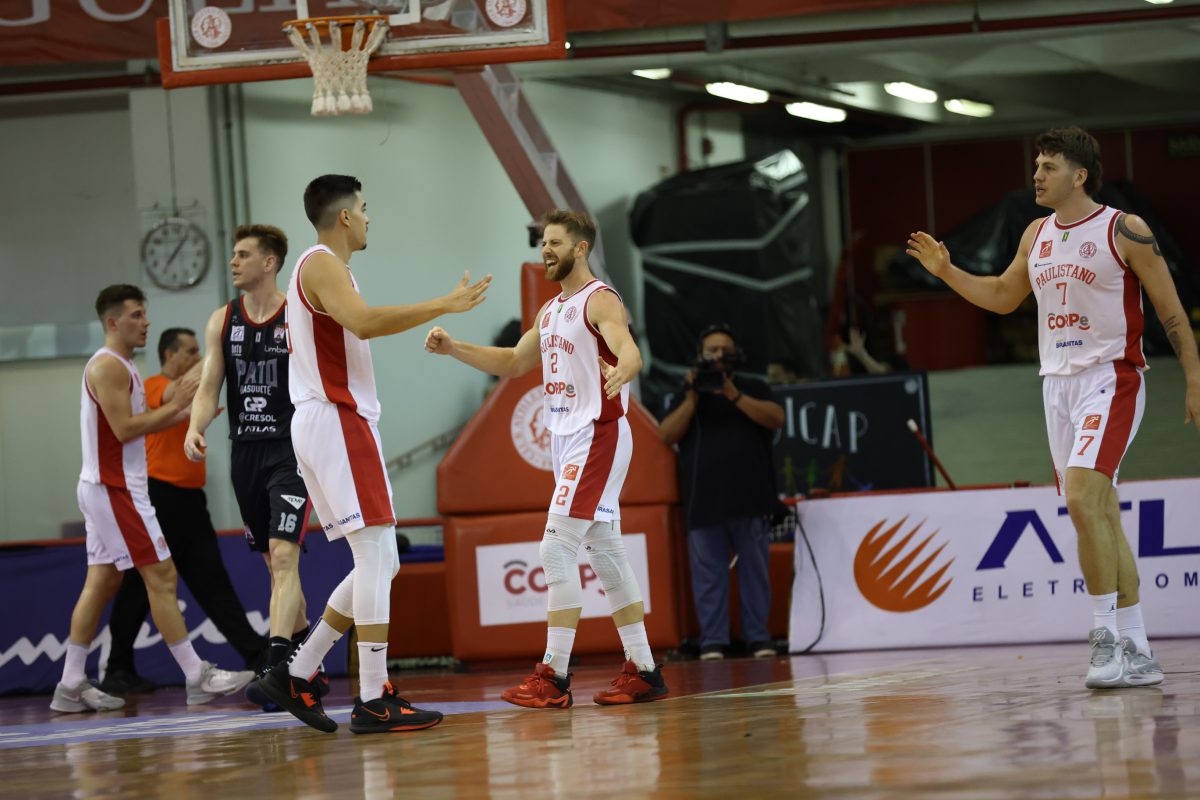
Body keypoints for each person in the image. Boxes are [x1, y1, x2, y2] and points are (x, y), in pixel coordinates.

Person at [906, 126, 1200, 689]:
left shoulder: (1124, 229)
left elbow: (1171, 310)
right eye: (1036, 165)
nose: (1036, 175)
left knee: (1084, 500)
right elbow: (1002, 296)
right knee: (1099, 513)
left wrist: (1194, 376)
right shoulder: (1036, 233)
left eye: (1048, 166)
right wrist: (946, 272)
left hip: (1112, 377)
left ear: (1079, 175)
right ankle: (1138, 649)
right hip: (1056, 386)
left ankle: (1104, 638)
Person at [248, 175, 491, 734]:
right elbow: (364, 321)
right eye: (363, 208)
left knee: (380, 560)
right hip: (336, 419)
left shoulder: (325, 269)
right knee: (378, 555)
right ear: (344, 217)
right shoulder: (320, 263)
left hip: (327, 422)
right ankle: (374, 695)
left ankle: (297, 672)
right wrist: (444, 303)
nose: (367, 217)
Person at [425, 209, 670, 709]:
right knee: (605, 551)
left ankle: (553, 676)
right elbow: (514, 361)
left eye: (555, 243)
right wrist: (454, 348)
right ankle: (644, 669)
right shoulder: (552, 310)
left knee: (555, 549)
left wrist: (623, 370)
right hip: (570, 439)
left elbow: (629, 350)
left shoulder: (599, 299)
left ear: (581, 248)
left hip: (596, 434)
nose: (546, 251)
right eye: (543, 244)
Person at [53, 284, 254, 713]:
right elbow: (125, 429)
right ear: (112, 322)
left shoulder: (123, 365)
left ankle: (69, 684)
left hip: (107, 486)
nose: (146, 322)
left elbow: (144, 420)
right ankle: (196, 675)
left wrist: (184, 413)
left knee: (102, 582)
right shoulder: (108, 366)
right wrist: (177, 404)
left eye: (145, 314)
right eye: (137, 315)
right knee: (161, 576)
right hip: (116, 488)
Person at [183, 225, 320, 709]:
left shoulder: (297, 315)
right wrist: (194, 426)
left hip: (290, 451)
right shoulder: (222, 319)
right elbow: (208, 387)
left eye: (243, 254)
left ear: (270, 262)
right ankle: (310, 666)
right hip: (245, 453)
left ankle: (277, 665)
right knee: (274, 567)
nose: (234, 262)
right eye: (234, 254)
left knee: (284, 558)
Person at [99, 327, 267, 695]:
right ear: (169, 355)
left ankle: (257, 656)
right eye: (189, 351)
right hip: (159, 497)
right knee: (140, 587)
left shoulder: (185, 388)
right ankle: (118, 668)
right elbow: (178, 391)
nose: (196, 358)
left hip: (188, 502)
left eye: (198, 351)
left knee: (209, 581)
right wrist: (220, 348)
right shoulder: (155, 385)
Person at [657, 324, 785, 660]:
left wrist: (733, 394)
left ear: (736, 354)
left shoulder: (753, 386)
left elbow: (776, 418)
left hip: (751, 498)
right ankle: (713, 641)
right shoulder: (688, 393)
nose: (718, 356)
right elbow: (665, 435)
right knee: (708, 576)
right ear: (700, 356)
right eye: (712, 350)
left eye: (724, 350)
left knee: (755, 573)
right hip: (703, 502)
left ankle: (758, 638)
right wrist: (692, 399)